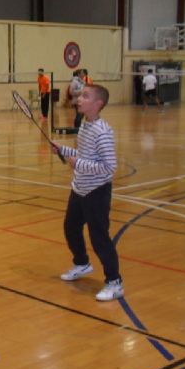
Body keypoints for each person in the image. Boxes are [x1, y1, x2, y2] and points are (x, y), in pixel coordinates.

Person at [52, 85, 123, 302]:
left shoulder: (102, 131)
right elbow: (84, 155)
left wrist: (78, 163)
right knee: (71, 227)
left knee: (99, 237)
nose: (79, 98)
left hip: (97, 191)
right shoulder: (85, 125)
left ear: (97, 104)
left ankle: (114, 282)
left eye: (85, 96)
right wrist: (64, 150)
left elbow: (109, 166)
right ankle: (82, 263)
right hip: (79, 188)